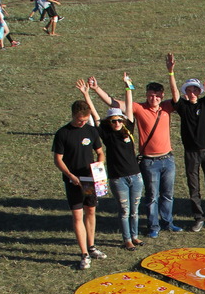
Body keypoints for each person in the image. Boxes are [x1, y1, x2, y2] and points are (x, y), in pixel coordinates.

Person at [82, 74, 144, 250]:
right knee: (124, 211)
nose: (117, 123)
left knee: (135, 210)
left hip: (136, 175)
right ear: (109, 122)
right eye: (114, 121)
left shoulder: (129, 128)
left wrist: (127, 85)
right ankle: (127, 239)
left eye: (119, 120)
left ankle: (135, 236)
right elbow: (94, 113)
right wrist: (87, 94)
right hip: (118, 178)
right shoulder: (106, 134)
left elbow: (129, 106)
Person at [169, 52, 205, 232]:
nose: (192, 92)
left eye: (195, 89)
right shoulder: (182, 106)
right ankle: (198, 217)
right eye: (189, 90)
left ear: (200, 91)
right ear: (186, 92)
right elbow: (174, 94)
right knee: (194, 185)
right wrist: (171, 72)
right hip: (190, 151)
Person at [128, 55, 180, 237]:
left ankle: (168, 223)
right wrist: (95, 90)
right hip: (149, 162)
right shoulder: (139, 108)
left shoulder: (166, 107)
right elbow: (115, 104)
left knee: (167, 195)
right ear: (146, 95)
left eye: (157, 96)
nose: (154, 99)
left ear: (161, 96)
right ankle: (153, 227)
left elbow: (177, 97)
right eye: (150, 95)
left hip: (168, 158)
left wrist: (171, 72)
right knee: (151, 197)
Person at [52, 98, 106, 269]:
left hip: (89, 181)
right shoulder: (63, 133)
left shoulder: (91, 131)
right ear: (73, 115)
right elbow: (58, 159)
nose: (82, 122)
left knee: (90, 210)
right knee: (77, 215)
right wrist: (70, 175)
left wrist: (100, 164)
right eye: (79, 120)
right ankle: (84, 254)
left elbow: (100, 152)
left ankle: (92, 247)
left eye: (85, 120)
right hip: (73, 181)